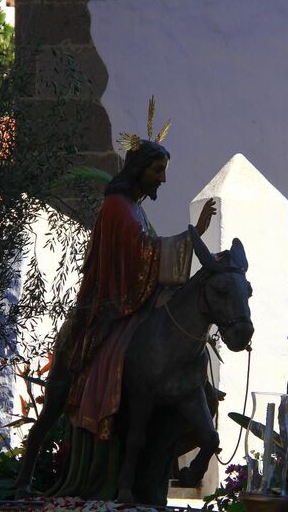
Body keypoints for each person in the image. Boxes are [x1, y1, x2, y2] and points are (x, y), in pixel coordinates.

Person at [22, 139, 217, 499]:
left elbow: (149, 257)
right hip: (110, 310)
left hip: (137, 305)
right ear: (138, 169)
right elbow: (142, 256)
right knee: (82, 384)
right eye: (157, 171)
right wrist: (194, 235)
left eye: (164, 172)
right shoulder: (117, 207)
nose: (162, 179)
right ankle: (26, 478)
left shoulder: (135, 210)